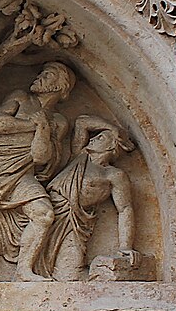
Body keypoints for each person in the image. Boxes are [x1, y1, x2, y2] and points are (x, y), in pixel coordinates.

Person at [0, 62, 74, 281]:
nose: (40, 76)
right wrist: (34, 125)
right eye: (42, 71)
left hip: (21, 173)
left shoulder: (58, 122)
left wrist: (43, 128)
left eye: (48, 75)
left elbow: (41, 158)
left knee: (44, 213)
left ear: (61, 87)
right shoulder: (21, 97)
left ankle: (23, 270)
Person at [47, 118, 136, 277]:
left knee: (70, 274)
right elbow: (82, 122)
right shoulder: (79, 156)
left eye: (100, 138)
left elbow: (125, 209)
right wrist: (111, 127)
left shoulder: (113, 175)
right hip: (48, 211)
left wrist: (125, 246)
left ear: (111, 146)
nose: (93, 138)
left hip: (74, 224)